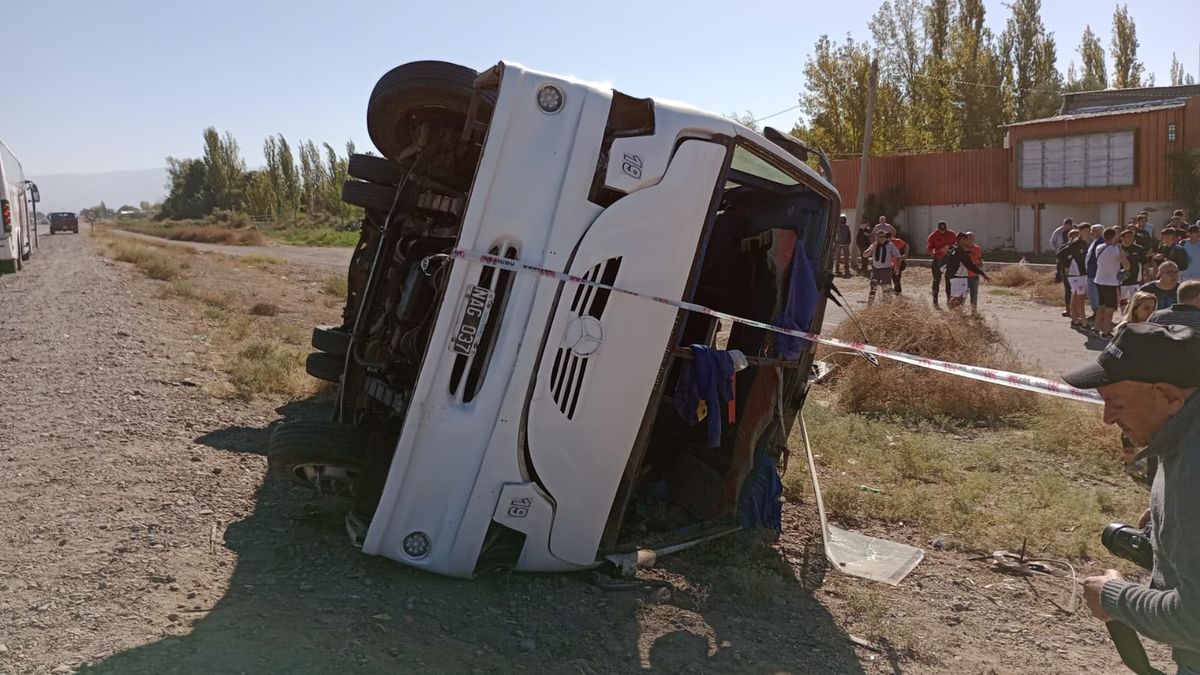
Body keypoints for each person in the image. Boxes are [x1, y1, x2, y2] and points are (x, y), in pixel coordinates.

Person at [1066, 323, 1200, 675]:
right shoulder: (1185, 430)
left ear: (1170, 396)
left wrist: (1113, 597)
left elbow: (1195, 622)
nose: (1108, 418)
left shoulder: (1193, 470)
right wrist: (1165, 523)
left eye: (1116, 402)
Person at [1094, 227, 1131, 338]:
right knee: (1110, 308)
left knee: (1102, 306)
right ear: (1114, 236)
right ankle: (1105, 331)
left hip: (1099, 280)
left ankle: (1096, 328)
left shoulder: (1099, 247)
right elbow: (1127, 265)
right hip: (1111, 282)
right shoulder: (1116, 249)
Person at [942, 232, 990, 309]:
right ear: (961, 240)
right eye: (966, 239)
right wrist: (982, 273)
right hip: (958, 278)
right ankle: (956, 316)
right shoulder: (961, 252)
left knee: (951, 297)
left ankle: (952, 315)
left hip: (949, 276)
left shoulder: (951, 249)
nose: (968, 241)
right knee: (958, 300)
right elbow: (969, 265)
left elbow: (942, 264)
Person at [1058, 228, 1090, 327]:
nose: (1089, 233)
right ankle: (1083, 321)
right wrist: (1066, 266)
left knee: (1075, 296)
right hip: (1076, 274)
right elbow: (1060, 254)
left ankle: (1075, 319)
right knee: (1079, 297)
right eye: (1087, 231)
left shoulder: (1084, 244)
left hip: (1081, 274)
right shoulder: (1075, 244)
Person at [863, 229, 901, 305]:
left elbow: (898, 256)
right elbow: (864, 255)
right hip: (876, 270)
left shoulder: (890, 245)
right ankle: (870, 305)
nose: (882, 238)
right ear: (876, 238)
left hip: (886, 270)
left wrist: (897, 267)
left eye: (884, 236)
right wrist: (872, 248)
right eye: (880, 237)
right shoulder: (873, 245)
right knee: (873, 287)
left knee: (886, 288)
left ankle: (887, 306)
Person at [927, 220, 957, 308]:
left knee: (949, 280)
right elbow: (929, 248)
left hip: (950, 260)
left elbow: (956, 244)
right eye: (941, 231)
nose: (942, 232)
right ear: (938, 229)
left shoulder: (952, 234)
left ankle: (949, 300)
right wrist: (936, 251)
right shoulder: (933, 235)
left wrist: (950, 248)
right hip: (938, 259)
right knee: (936, 280)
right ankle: (935, 301)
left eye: (944, 230)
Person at [1119, 227, 1148, 311]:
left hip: (1135, 279)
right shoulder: (1117, 249)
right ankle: (1124, 316)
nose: (1130, 238)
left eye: (1132, 237)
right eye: (1128, 237)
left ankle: (1134, 317)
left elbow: (1145, 263)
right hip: (1121, 280)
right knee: (1123, 300)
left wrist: (1147, 276)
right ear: (1122, 238)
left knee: (1136, 300)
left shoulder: (1139, 248)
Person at [1051, 218, 1074, 316]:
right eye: (1066, 226)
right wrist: (1056, 250)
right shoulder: (1059, 231)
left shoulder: (1075, 231)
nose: (1067, 227)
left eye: (1069, 226)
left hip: (1073, 263)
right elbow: (1053, 241)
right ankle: (1058, 276)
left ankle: (1075, 310)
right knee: (1067, 287)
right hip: (1062, 255)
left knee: (1074, 289)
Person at [1085, 223, 1104, 325]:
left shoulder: (1100, 242)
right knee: (1093, 293)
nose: (1090, 233)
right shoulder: (1095, 242)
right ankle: (1096, 312)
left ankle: (1097, 313)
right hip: (1091, 271)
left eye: (1092, 231)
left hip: (1095, 272)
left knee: (1094, 294)